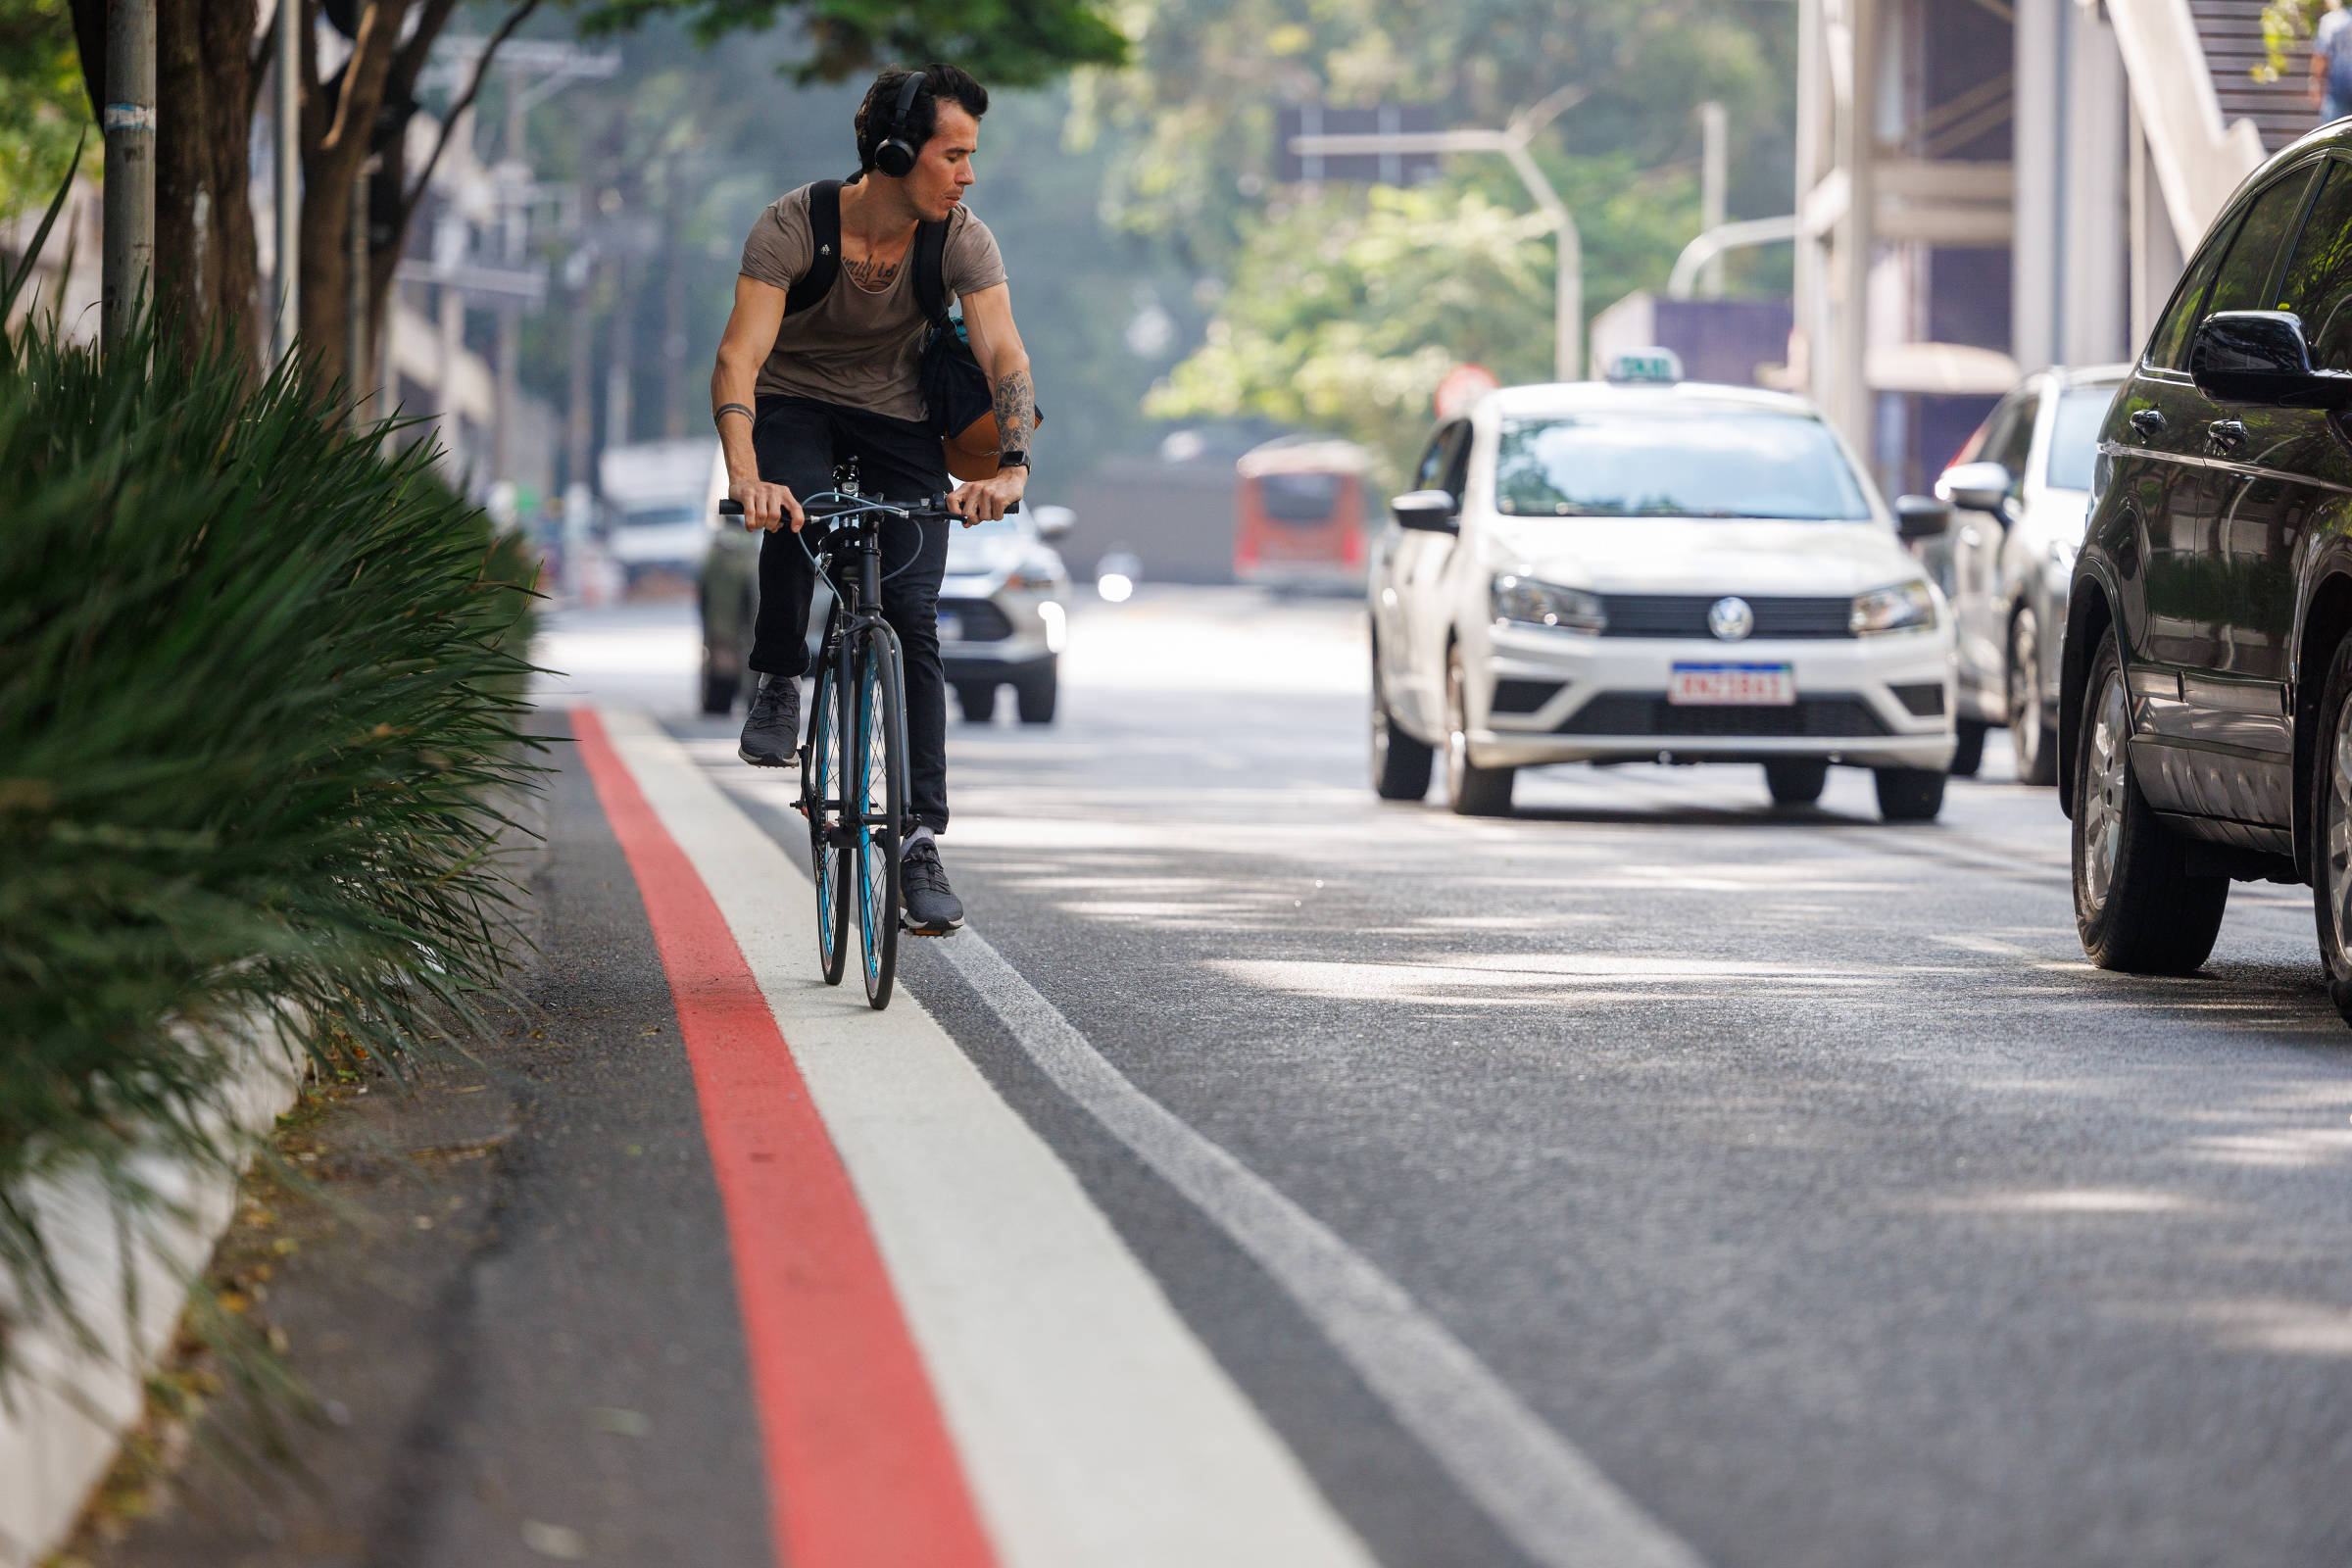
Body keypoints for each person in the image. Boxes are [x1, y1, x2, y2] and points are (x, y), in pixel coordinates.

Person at [709, 64, 1035, 937]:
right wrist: (745, 474)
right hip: (792, 402)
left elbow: (1005, 356)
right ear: (896, 152)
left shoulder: (962, 238)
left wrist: (1010, 469)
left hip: (898, 419)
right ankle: (781, 678)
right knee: (795, 503)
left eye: (972, 155)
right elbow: (739, 357)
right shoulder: (792, 226)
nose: (968, 173)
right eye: (953, 154)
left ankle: (921, 841)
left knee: (915, 619)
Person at [2314, 0, 2352, 124]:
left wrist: (2316, 85)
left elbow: (2322, 57)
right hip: (2338, 92)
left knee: (2333, 133)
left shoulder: (2331, 21)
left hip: (2338, 91)